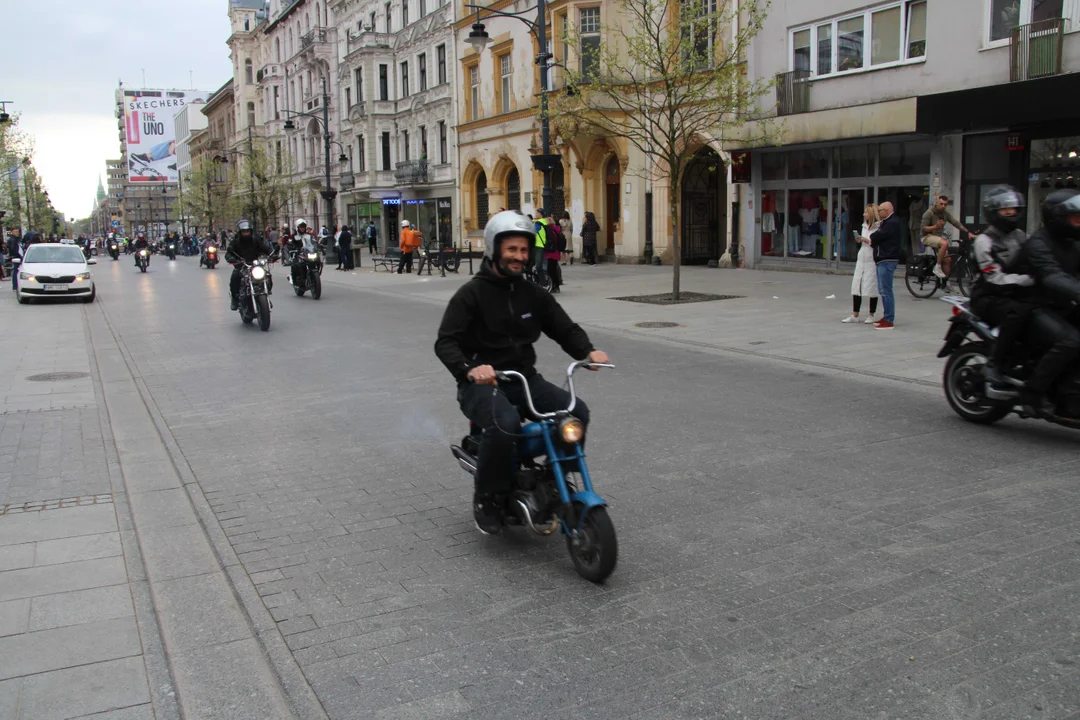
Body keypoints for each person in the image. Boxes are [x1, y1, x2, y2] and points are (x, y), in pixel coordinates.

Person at [434, 210, 610, 534]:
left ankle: (556, 480)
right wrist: (470, 370)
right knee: (505, 425)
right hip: (482, 385)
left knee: (576, 412)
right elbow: (445, 343)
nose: (519, 256)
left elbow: (563, 327)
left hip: (524, 380)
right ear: (495, 248)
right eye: (512, 249)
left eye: (524, 250)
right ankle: (487, 497)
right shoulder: (471, 294)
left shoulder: (533, 294)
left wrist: (587, 350)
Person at [970, 186, 1038, 391]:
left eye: (1014, 210)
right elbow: (993, 277)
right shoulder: (984, 241)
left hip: (1014, 292)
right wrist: (1025, 280)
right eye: (1005, 211)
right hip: (988, 295)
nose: (1011, 214)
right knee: (1017, 313)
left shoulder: (1020, 236)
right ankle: (995, 364)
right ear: (993, 212)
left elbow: (1034, 258)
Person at [1020, 189, 1080, 415]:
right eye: (1076, 218)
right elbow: (1051, 275)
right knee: (1071, 341)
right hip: (1033, 304)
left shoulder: (1073, 241)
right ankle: (1033, 393)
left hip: (1063, 303)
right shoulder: (1038, 243)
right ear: (1058, 218)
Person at [921, 195, 977, 279]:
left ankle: (946, 283)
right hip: (926, 236)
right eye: (941, 204)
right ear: (936, 203)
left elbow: (955, 223)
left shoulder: (945, 213)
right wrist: (935, 226)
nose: (943, 206)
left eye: (945, 204)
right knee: (944, 243)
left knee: (948, 260)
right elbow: (923, 228)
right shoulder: (929, 213)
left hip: (937, 238)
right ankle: (937, 267)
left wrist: (967, 232)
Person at [843, 204, 881, 324]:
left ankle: (871, 314)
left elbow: (877, 242)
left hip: (871, 259)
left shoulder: (878, 227)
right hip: (862, 258)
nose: (864, 214)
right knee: (856, 285)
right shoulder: (864, 226)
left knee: (872, 286)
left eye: (866, 212)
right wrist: (860, 240)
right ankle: (855, 314)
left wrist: (867, 240)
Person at [226, 220, 274, 311]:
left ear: (251, 231)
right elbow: (229, 253)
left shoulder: (255, 240)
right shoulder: (235, 242)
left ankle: (265, 295)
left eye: (248, 231)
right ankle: (235, 300)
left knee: (267, 276)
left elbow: (265, 248)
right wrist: (233, 259)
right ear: (240, 232)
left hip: (255, 265)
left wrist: (272, 254)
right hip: (241, 266)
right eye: (244, 232)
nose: (246, 233)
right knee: (234, 278)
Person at [869, 201, 901, 330]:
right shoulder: (886, 223)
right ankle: (886, 316)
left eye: (880, 211)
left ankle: (889, 319)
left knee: (886, 290)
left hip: (887, 259)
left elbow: (876, 237)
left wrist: (873, 237)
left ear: (887, 211)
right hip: (882, 259)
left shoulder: (891, 223)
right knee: (883, 290)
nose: (878, 213)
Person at [532, 208, 554, 284]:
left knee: (538, 266)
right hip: (541, 246)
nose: (535, 213)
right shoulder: (544, 221)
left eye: (537, 212)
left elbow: (532, 232)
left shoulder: (538, 223)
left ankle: (542, 282)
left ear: (540, 214)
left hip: (538, 246)